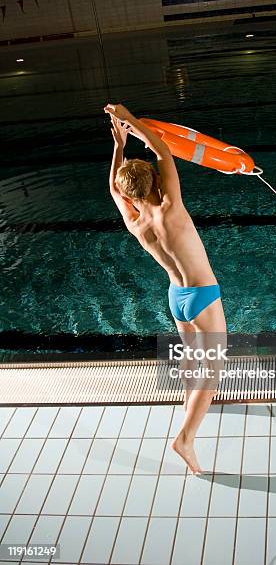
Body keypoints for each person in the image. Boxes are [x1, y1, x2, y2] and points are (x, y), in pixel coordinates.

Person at [104, 103, 227, 475]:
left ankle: (191, 400)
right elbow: (162, 150)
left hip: (176, 298)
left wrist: (118, 147)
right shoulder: (172, 207)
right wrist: (131, 122)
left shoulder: (135, 221)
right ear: (156, 183)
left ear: (128, 195)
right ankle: (186, 438)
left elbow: (113, 186)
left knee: (191, 357)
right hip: (202, 295)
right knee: (214, 371)